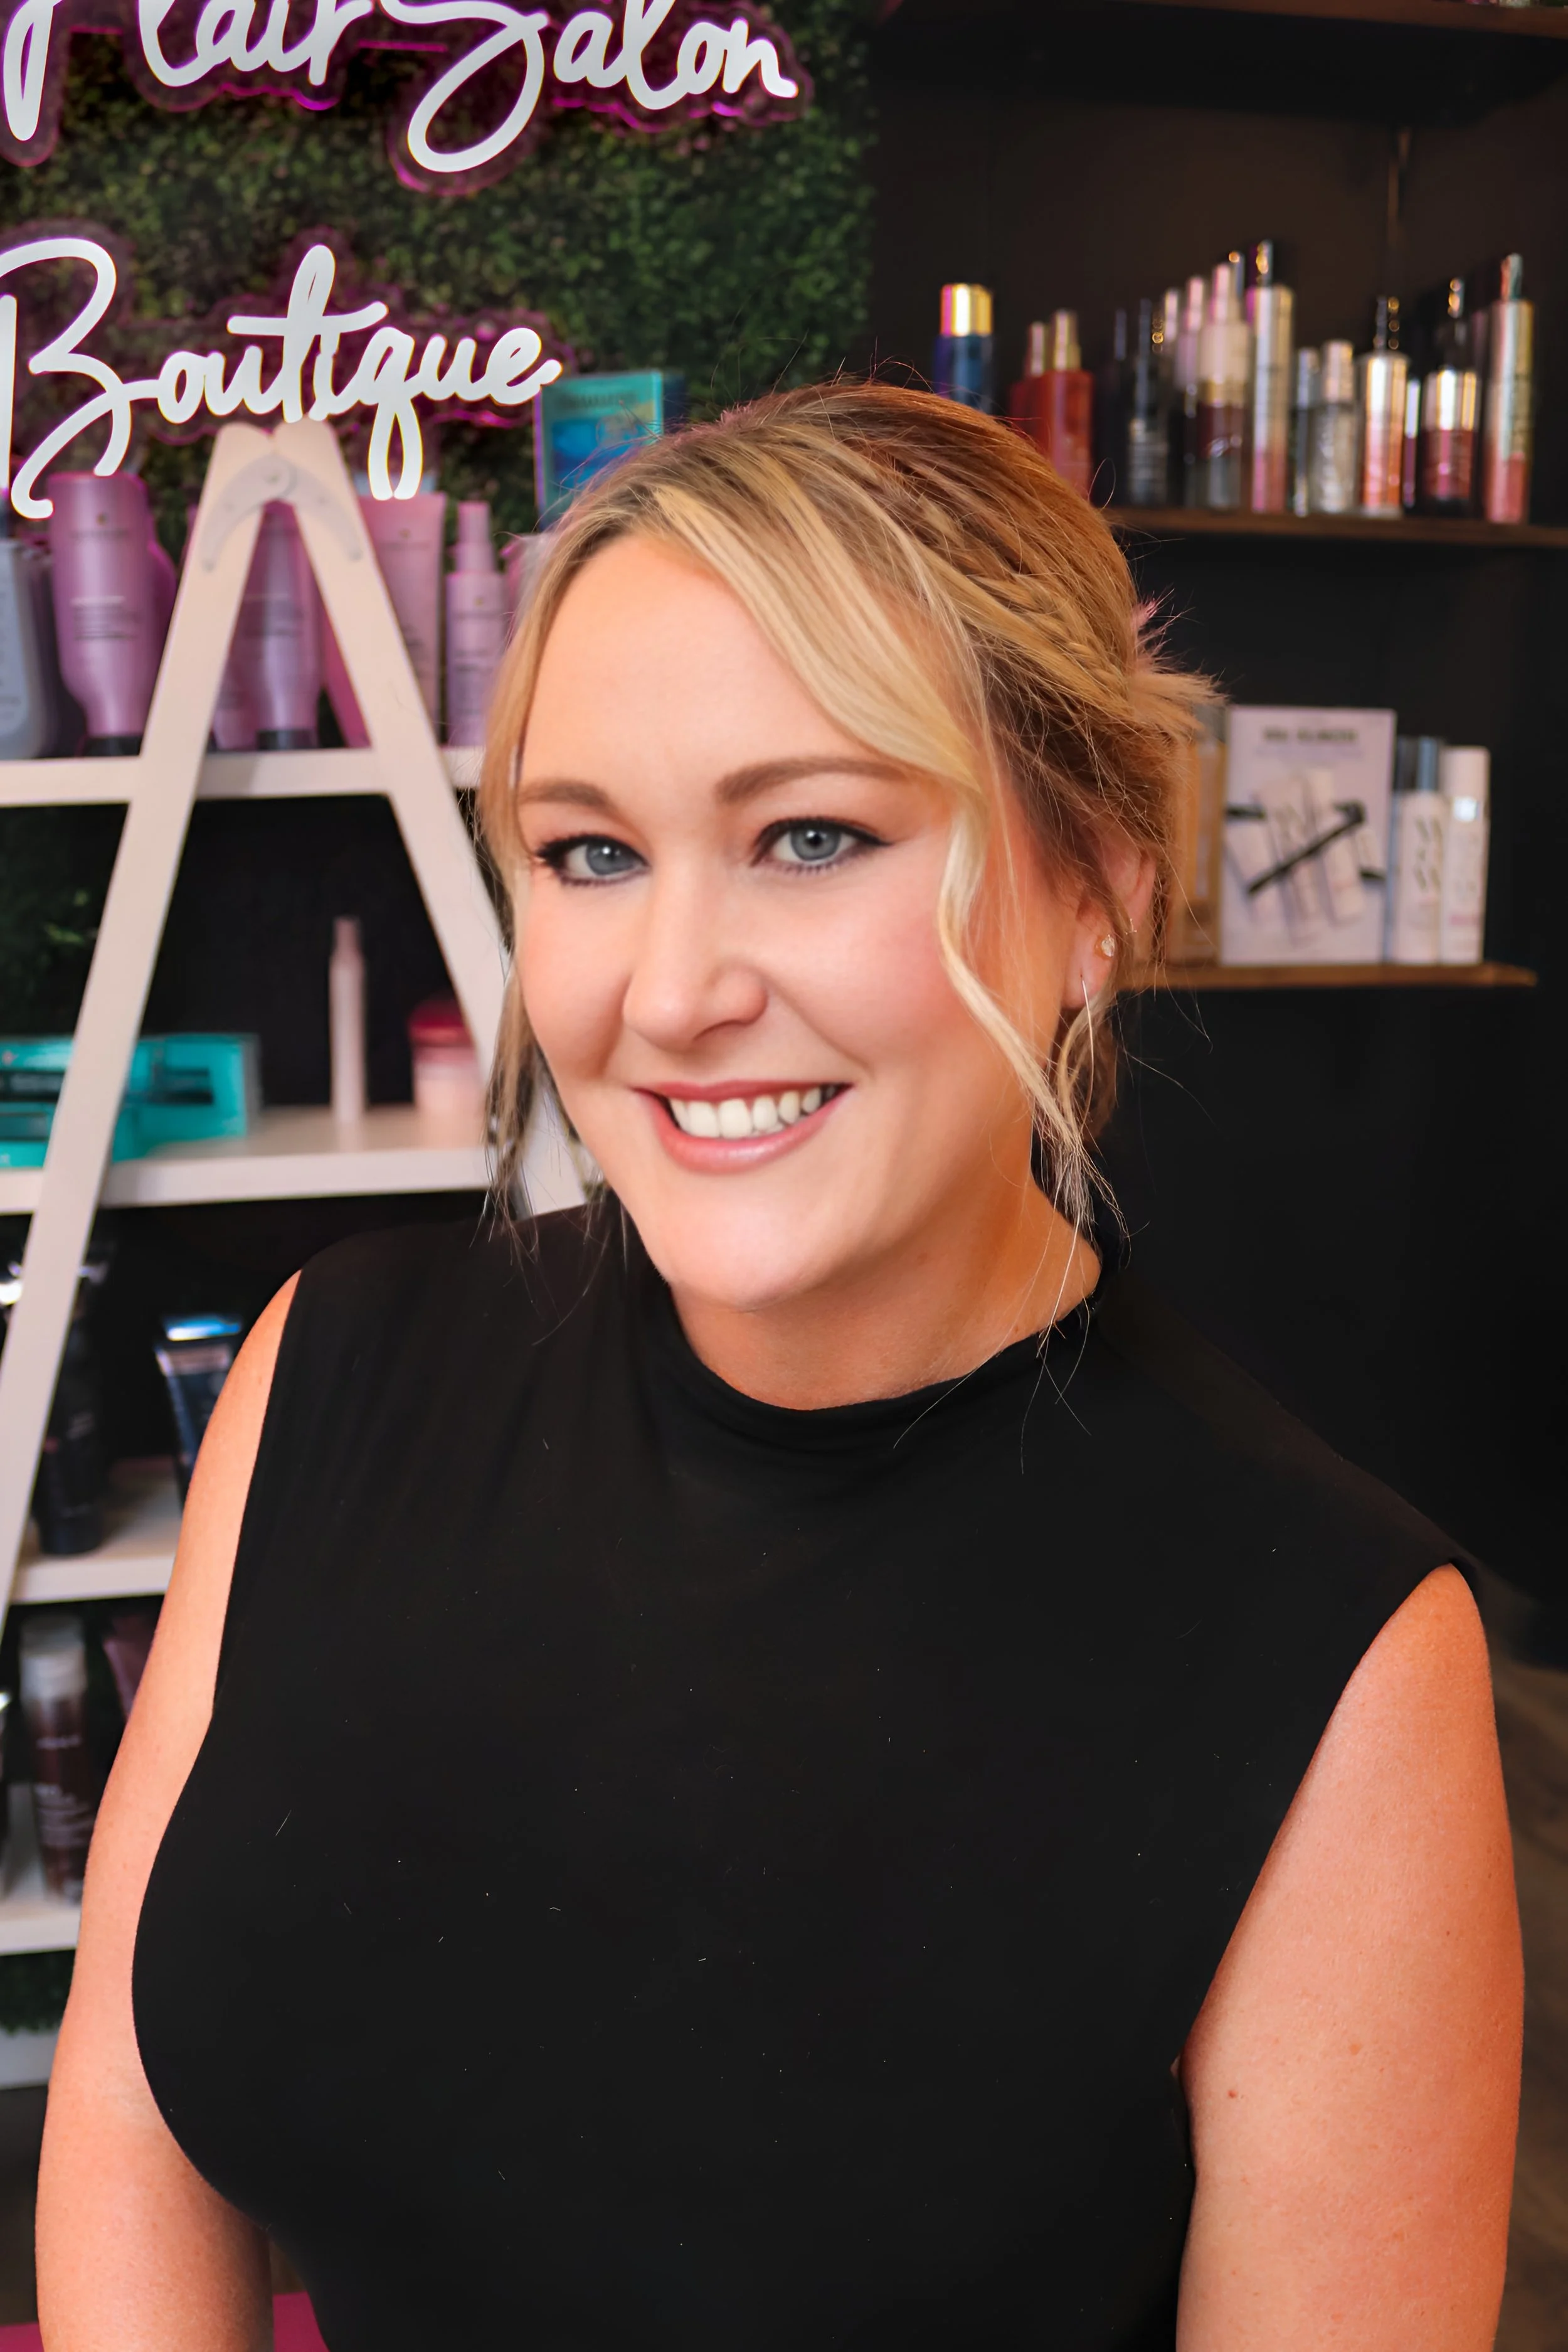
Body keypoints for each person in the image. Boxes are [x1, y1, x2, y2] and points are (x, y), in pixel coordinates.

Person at [38, 384, 1520, 2351]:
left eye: (808, 833)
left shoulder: (1328, 1650)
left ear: (1093, 885)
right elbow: (136, 2123)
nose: (668, 992)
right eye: (586, 855)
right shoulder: (341, 1366)